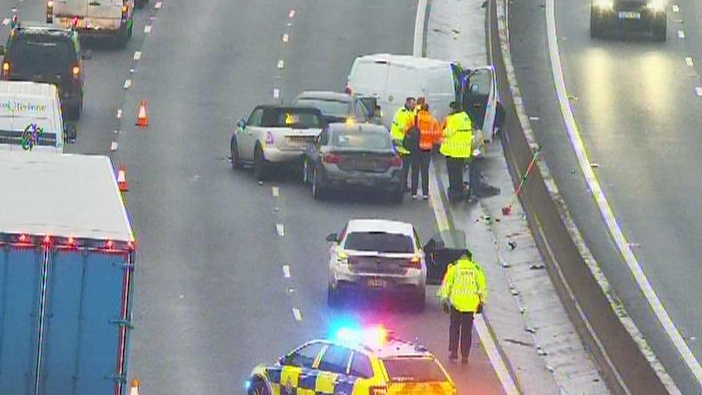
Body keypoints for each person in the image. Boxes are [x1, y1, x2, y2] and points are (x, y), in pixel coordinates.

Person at [438, 250, 487, 363]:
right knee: (467, 331)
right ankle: (465, 355)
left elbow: (447, 285)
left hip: (456, 303)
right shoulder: (476, 269)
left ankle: (453, 351)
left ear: (461, 258)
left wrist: (444, 300)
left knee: (454, 328)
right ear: (470, 258)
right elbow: (482, 287)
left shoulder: (454, 268)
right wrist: (481, 302)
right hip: (470, 305)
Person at [440, 102, 474, 201]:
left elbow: (448, 132)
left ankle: (455, 191)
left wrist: (441, 131)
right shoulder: (465, 116)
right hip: (462, 150)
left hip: (453, 150)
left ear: (454, 109)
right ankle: (459, 189)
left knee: (453, 172)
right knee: (458, 171)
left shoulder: (455, 118)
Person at [411, 102, 442, 199]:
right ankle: (425, 193)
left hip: (416, 148)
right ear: (428, 109)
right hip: (427, 149)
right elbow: (437, 136)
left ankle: (414, 193)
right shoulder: (433, 120)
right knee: (425, 171)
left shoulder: (414, 118)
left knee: (415, 171)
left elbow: (408, 130)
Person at [391, 97, 417, 191]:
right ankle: (401, 185)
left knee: (405, 165)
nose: (414, 106)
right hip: (400, 141)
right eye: (413, 104)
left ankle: (403, 185)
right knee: (403, 165)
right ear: (408, 103)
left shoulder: (409, 112)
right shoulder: (402, 113)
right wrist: (412, 133)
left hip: (404, 141)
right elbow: (403, 128)